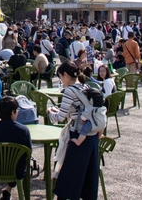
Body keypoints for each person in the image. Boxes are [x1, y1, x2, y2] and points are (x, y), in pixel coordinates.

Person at [46, 61, 102, 200]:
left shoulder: (69, 91)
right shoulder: (86, 86)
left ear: (65, 75)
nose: (61, 81)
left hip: (78, 135)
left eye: (60, 77)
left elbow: (59, 117)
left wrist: (49, 112)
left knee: (69, 176)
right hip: (91, 135)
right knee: (87, 176)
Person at [0, 96, 33, 200]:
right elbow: (28, 152)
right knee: (20, 161)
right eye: (16, 110)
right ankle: (8, 189)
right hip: (16, 170)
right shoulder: (24, 130)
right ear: (13, 112)